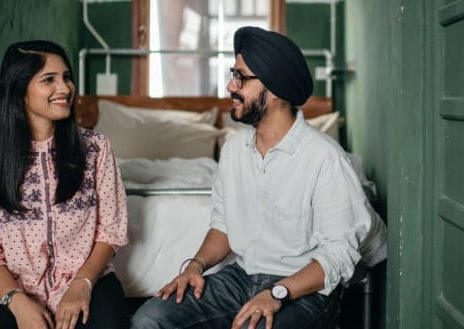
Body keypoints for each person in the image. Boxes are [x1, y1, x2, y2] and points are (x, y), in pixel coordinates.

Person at [131, 26, 372, 329]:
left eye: (241, 77)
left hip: (305, 289)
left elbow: (339, 253)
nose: (231, 86)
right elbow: (223, 226)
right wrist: (194, 266)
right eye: (233, 75)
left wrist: (277, 293)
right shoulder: (233, 151)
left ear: (275, 89)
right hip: (241, 277)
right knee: (149, 319)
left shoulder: (325, 158)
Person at [0, 40, 129, 329]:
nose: (65, 88)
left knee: (106, 321)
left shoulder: (96, 148)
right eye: (49, 80)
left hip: (84, 278)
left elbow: (109, 230)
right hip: (3, 291)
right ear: (19, 89)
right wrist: (17, 302)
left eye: (67, 77)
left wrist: (82, 283)